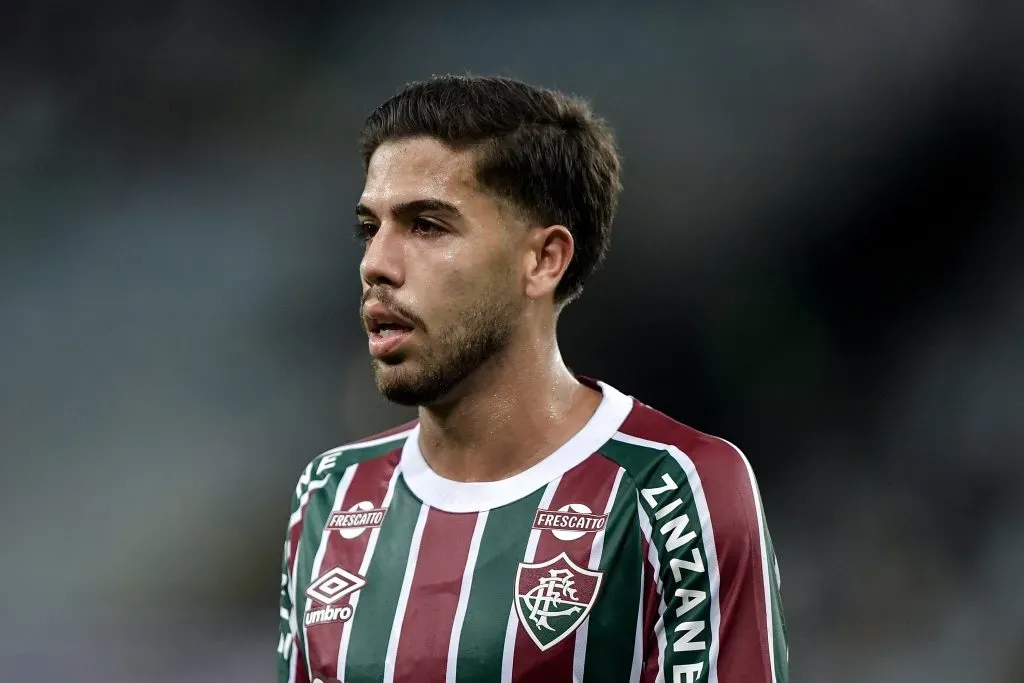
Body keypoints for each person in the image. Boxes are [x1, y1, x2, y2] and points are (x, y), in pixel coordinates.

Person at [276, 74, 788, 683]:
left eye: (427, 225)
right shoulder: (332, 495)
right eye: (370, 227)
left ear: (544, 259)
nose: (375, 264)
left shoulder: (673, 490)